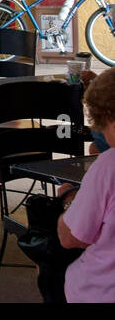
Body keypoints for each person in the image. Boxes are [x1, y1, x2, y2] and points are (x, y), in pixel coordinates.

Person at [58, 68, 115, 301]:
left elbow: (72, 238)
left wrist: (69, 202)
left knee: (50, 261)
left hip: (99, 292)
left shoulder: (108, 166)